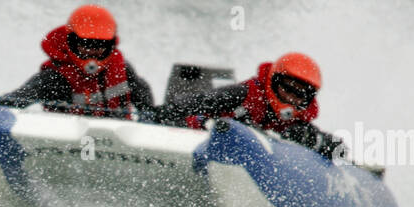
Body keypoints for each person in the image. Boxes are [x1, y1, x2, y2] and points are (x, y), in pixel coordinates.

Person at [147, 52, 347, 160]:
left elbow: (340, 149)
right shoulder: (242, 94)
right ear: (274, 82)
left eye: (300, 95)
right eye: (287, 88)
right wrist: (152, 116)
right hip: (198, 143)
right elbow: (187, 104)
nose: (291, 98)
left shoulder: (299, 124)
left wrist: (316, 141)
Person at [0, 5, 159, 119]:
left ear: (110, 45)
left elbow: (145, 104)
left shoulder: (122, 69)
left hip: (120, 145)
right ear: (72, 42)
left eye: (100, 45)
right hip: (66, 146)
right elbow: (14, 102)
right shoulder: (53, 77)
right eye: (86, 44)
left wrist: (154, 116)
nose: (93, 51)